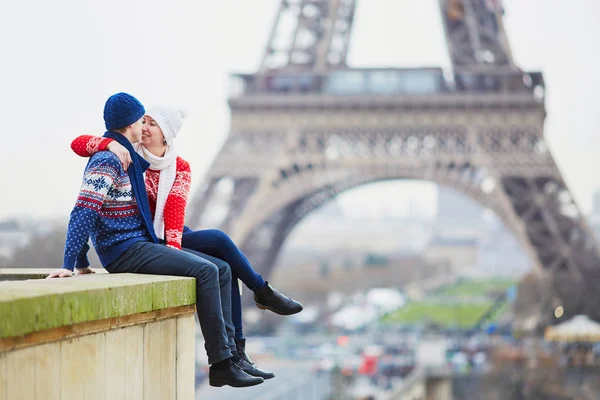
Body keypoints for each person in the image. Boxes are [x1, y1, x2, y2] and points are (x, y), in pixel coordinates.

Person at [69, 104, 304, 379]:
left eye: (152, 124)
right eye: (143, 121)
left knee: (223, 256)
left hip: (168, 233)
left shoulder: (178, 166)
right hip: (144, 237)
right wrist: (108, 144)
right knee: (219, 252)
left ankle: (238, 353)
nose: (143, 127)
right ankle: (261, 295)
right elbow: (79, 143)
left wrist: (173, 251)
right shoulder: (129, 155)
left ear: (166, 134)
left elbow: (174, 213)